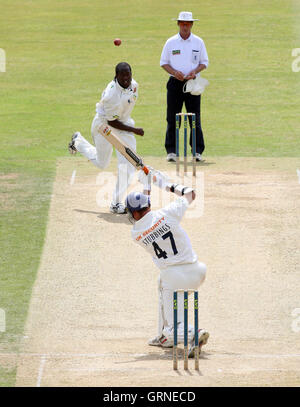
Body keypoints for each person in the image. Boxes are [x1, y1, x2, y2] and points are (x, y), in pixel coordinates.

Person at [125, 171, 209, 357]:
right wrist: (165, 185)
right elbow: (191, 194)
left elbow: (144, 216)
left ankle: (193, 333)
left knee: (172, 327)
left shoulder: (136, 234)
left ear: (135, 213)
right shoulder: (168, 213)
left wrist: (147, 186)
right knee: (160, 286)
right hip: (196, 271)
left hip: (173, 277)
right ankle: (163, 337)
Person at [68, 62, 144, 214]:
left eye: (128, 74)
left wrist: (130, 129)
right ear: (116, 76)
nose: (126, 78)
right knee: (103, 163)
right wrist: (134, 130)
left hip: (123, 123)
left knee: (128, 164)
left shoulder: (134, 85)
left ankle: (116, 203)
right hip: (104, 126)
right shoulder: (111, 95)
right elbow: (112, 122)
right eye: (122, 75)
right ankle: (78, 142)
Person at [160, 11, 209, 163]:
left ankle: (197, 151)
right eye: (182, 23)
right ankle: (172, 151)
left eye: (188, 24)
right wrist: (175, 73)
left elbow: (204, 62)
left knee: (194, 117)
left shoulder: (198, 42)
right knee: (173, 118)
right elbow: (164, 63)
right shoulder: (171, 42)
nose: (185, 26)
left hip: (192, 83)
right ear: (178, 24)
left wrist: (195, 71)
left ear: (192, 24)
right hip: (175, 83)